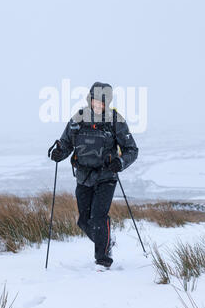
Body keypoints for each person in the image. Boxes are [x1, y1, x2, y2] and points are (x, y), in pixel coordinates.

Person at [49, 82, 138, 268]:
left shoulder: (116, 120)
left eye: (102, 102)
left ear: (108, 102)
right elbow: (66, 143)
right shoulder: (79, 118)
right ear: (90, 99)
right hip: (83, 176)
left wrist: (120, 162)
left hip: (106, 177)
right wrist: (58, 153)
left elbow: (132, 149)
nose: (98, 105)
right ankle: (107, 240)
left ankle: (103, 259)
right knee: (83, 221)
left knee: (99, 217)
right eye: (95, 100)